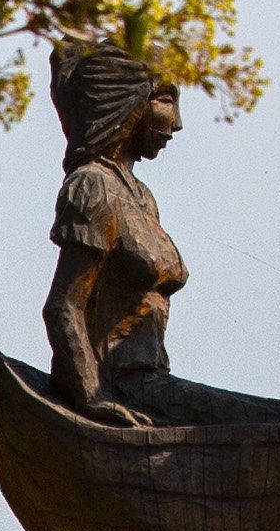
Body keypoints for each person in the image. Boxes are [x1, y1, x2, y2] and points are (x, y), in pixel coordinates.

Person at [39, 31, 196, 424]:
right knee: (259, 423)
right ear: (124, 101)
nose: (176, 124)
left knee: (276, 418)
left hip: (153, 382)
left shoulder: (140, 196)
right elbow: (63, 306)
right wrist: (93, 397)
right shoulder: (92, 186)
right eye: (166, 99)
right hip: (118, 386)